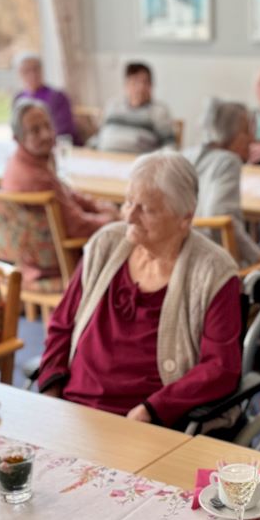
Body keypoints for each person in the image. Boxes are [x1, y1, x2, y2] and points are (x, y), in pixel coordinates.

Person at [37, 153, 242, 426]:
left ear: (185, 217)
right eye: (128, 202)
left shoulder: (213, 271)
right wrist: (50, 392)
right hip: (74, 411)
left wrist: (153, 409)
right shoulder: (105, 244)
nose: (129, 216)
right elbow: (62, 324)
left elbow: (220, 368)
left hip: (147, 423)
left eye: (146, 209)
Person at [2, 99, 118, 280]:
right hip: (57, 263)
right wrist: (112, 220)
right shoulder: (35, 178)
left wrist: (101, 207)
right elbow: (77, 227)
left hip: (27, 259)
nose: (47, 134)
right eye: (35, 131)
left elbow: (68, 195)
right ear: (18, 138)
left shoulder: (19, 162)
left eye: (48, 125)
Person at [192, 98, 260, 268]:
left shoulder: (191, 154)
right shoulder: (228, 161)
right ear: (233, 136)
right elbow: (221, 218)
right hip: (216, 267)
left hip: (187, 260)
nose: (253, 138)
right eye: (247, 131)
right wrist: (257, 254)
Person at [93, 62, 176, 154]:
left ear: (151, 86)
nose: (141, 87)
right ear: (126, 84)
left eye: (145, 82)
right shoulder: (113, 105)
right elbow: (100, 136)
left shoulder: (159, 111)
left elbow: (169, 146)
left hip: (138, 164)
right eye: (135, 82)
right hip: (103, 159)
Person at [12, 52, 78, 143]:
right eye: (27, 70)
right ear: (19, 73)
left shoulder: (57, 96)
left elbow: (64, 130)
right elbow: (17, 130)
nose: (33, 74)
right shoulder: (18, 98)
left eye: (36, 69)